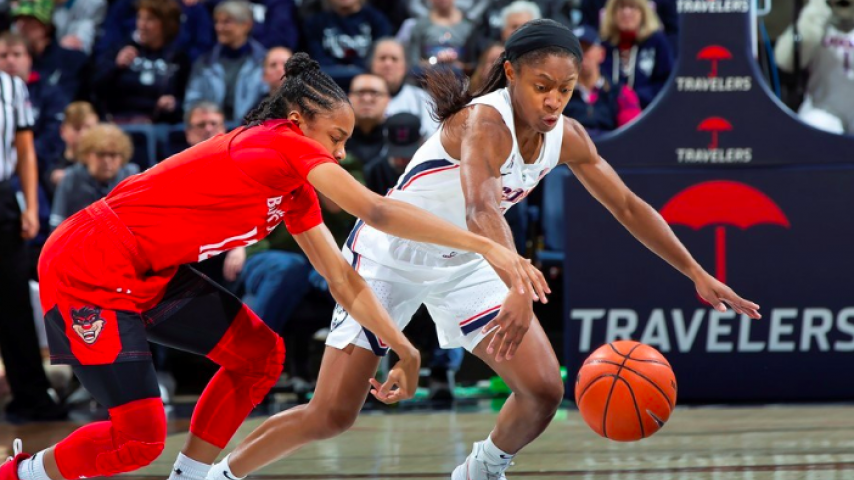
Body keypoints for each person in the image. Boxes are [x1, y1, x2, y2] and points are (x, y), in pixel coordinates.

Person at [203, 20, 761, 480]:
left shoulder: (567, 135)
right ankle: (222, 475)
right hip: (389, 260)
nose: (553, 100)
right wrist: (518, 281)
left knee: (543, 391)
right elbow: (481, 209)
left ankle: (477, 471)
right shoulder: (482, 122)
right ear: (512, 73)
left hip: (468, 263)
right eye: (542, 85)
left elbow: (629, 207)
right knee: (331, 416)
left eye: (565, 90)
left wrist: (695, 271)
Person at [0, 52, 542, 480]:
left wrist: (402, 346)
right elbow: (376, 209)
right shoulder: (276, 145)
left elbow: (343, 280)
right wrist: (492, 248)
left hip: (151, 272)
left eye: (348, 142)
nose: (338, 153)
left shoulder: (294, 191)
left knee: (260, 355)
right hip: (88, 264)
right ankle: (21, 473)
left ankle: (193, 477)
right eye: (334, 137)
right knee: (139, 440)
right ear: (295, 120)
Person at [0, 68, 66, 424]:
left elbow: (24, 149)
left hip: (2, 196)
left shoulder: (10, 86)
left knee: (13, 303)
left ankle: (31, 395)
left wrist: (30, 205)